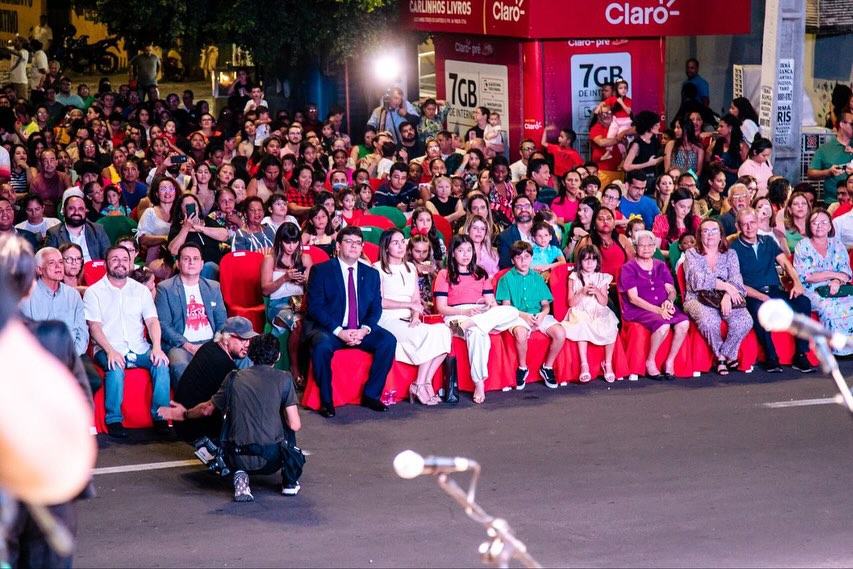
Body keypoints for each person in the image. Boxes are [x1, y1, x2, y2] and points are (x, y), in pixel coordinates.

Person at [158, 333, 303, 502]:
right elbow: (295, 424)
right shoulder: (284, 378)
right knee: (288, 424)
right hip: (270, 460)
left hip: (235, 456)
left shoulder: (233, 377)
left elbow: (207, 409)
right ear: (277, 356)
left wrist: (185, 413)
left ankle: (240, 472)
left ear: (250, 354)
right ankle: (289, 482)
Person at [304, 226, 397, 417]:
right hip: (331, 329)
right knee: (321, 346)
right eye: (349, 241)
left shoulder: (371, 274)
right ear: (338, 246)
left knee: (388, 341)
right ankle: (326, 401)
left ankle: (371, 395)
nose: (354, 246)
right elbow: (314, 307)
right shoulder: (321, 271)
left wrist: (364, 330)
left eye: (358, 243)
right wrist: (339, 331)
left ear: (362, 247)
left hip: (359, 328)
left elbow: (376, 308)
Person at [84, 245, 172, 438]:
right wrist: (110, 351)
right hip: (107, 347)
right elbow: (95, 327)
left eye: (125, 259)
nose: (120, 263)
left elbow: (152, 321)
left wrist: (157, 347)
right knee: (115, 366)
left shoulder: (140, 290)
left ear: (130, 263)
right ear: (106, 263)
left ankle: (161, 418)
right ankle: (113, 419)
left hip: (139, 347)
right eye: (115, 259)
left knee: (161, 363)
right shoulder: (94, 292)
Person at [435, 235, 519, 403]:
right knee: (477, 333)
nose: (465, 254)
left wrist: (490, 307)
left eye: (469, 250)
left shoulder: (480, 273)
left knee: (513, 311)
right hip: (455, 315)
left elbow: (491, 302)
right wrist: (466, 312)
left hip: (479, 314)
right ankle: (479, 382)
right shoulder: (445, 274)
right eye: (460, 250)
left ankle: (475, 324)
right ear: (453, 253)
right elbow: (441, 307)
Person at [731, 208, 814, 373]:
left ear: (758, 223)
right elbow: (737, 283)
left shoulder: (768, 241)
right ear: (738, 226)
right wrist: (761, 297)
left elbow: (785, 263)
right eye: (744, 224)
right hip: (752, 294)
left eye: (752, 223)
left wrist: (797, 282)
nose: (749, 227)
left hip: (774, 291)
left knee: (803, 302)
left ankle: (800, 354)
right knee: (758, 309)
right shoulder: (734, 248)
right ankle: (771, 357)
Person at [374, 229, 451, 405]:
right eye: (395, 243)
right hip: (388, 319)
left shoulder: (411, 268)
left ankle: (424, 381)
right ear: (386, 247)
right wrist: (409, 306)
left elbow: (416, 300)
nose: (401, 246)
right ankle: (419, 385)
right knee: (427, 334)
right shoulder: (377, 268)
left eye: (402, 241)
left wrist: (416, 315)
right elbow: (380, 301)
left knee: (444, 331)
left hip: (409, 317)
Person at [682, 218, 753, 374]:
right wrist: (726, 286)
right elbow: (697, 280)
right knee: (710, 322)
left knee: (745, 321)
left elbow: (736, 279)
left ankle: (723, 355)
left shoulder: (730, 254)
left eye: (714, 230)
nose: (710, 234)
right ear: (699, 235)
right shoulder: (691, 254)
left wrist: (727, 295)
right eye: (705, 231)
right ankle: (725, 358)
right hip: (697, 298)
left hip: (726, 297)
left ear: (721, 235)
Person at [618, 230, 690, 380]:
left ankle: (670, 361)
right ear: (635, 247)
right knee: (663, 325)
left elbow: (671, 290)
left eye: (650, 245)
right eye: (642, 245)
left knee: (684, 323)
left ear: (654, 247)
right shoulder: (628, 268)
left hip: (662, 306)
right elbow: (633, 299)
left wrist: (669, 301)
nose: (646, 248)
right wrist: (658, 310)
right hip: (638, 309)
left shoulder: (660, 265)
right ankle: (650, 361)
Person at [154, 243, 228, 386]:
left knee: (234, 360)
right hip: (181, 345)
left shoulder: (213, 287)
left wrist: (215, 344)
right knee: (179, 365)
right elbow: (163, 325)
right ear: (178, 263)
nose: (191, 262)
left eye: (195, 258)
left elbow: (221, 321)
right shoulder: (165, 288)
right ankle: (189, 401)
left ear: (202, 264)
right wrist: (188, 346)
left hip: (211, 342)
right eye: (186, 258)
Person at [496, 240, 565, 389]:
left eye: (526, 257)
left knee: (560, 333)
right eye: (519, 257)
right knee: (520, 333)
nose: (523, 261)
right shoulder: (505, 279)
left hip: (538, 314)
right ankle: (523, 367)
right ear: (513, 260)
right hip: (516, 315)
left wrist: (542, 315)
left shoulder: (538, 278)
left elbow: (546, 305)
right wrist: (524, 316)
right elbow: (506, 307)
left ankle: (547, 367)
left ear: (531, 258)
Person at [793, 208, 853, 356]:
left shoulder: (837, 245)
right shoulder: (803, 246)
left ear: (830, 226)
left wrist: (837, 281)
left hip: (837, 287)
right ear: (809, 226)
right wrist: (833, 274)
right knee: (830, 307)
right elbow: (805, 276)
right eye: (815, 223)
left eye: (824, 222)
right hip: (811, 289)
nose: (819, 226)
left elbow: (846, 273)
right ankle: (836, 349)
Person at [562, 244, 620, 383]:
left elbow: (604, 302)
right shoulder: (574, 277)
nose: (589, 263)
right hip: (580, 310)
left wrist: (597, 292)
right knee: (581, 324)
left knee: (610, 325)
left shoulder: (602, 278)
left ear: (597, 262)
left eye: (593, 259)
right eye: (586, 259)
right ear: (580, 261)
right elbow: (571, 302)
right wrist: (582, 292)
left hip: (598, 310)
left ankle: (607, 363)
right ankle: (584, 364)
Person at [807, 107, 853, 205]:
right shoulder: (825, 149)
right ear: (842, 124)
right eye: (852, 124)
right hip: (832, 202)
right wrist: (828, 172)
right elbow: (811, 173)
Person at [45, 195, 111, 262]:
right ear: (64, 210)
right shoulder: (53, 233)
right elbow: (50, 261)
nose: (76, 212)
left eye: (81, 209)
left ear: (85, 211)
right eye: (71, 208)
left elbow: (108, 257)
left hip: (95, 267)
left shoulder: (98, 229)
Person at [622, 111, 663, 189]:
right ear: (649, 126)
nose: (659, 126)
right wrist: (648, 164)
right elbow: (626, 166)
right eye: (656, 125)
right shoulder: (637, 143)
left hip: (653, 181)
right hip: (639, 182)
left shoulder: (655, 141)